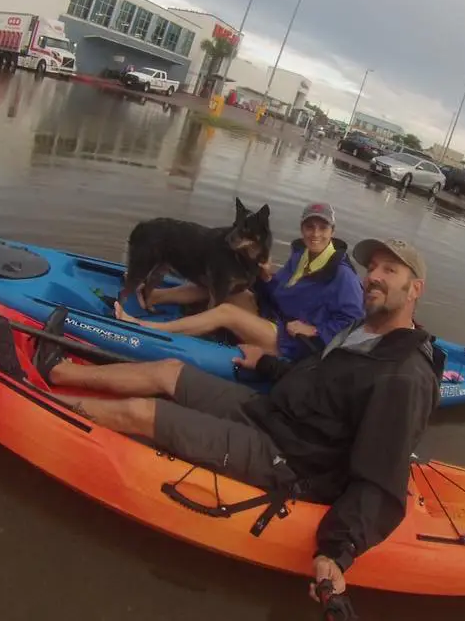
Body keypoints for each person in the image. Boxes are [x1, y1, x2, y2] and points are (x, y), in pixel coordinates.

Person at [35, 237, 443, 602]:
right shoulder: (361, 331)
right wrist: (267, 364)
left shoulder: (403, 376)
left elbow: (380, 481)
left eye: (390, 270)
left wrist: (336, 552)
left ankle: (36, 398)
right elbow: (316, 386)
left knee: (142, 411)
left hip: (289, 458)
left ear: (415, 289)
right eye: (372, 267)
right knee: (167, 371)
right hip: (271, 414)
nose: (374, 277)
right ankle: (58, 371)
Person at [116, 202, 364, 362]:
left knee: (225, 311)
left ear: (333, 230)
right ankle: (153, 295)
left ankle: (145, 328)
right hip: (273, 317)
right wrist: (266, 278)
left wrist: (316, 330)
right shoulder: (301, 256)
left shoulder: (342, 275)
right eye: (310, 227)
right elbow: (281, 294)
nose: (315, 234)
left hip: (292, 343)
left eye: (322, 228)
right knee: (224, 287)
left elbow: (354, 321)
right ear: (302, 228)